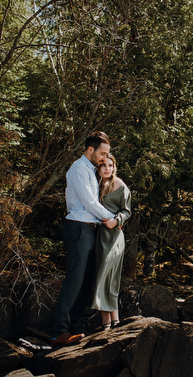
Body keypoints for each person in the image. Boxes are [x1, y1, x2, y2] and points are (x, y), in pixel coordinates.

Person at [50, 131, 118, 347]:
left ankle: (77, 330)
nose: (105, 158)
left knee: (86, 283)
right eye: (103, 153)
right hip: (78, 228)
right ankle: (59, 331)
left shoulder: (91, 170)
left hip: (90, 230)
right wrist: (112, 218)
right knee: (74, 281)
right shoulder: (78, 168)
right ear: (90, 149)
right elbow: (89, 202)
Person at [91, 154, 132, 330]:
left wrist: (118, 220)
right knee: (101, 275)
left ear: (114, 167)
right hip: (99, 236)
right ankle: (107, 322)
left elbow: (127, 210)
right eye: (103, 165)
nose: (107, 168)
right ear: (98, 169)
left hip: (114, 236)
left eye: (110, 165)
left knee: (110, 275)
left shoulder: (121, 186)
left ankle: (115, 320)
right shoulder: (96, 186)